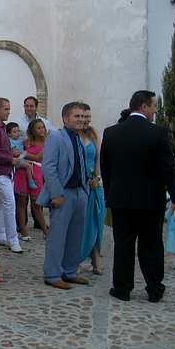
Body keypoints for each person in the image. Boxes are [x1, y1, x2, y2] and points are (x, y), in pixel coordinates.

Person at [101, 90, 175, 303]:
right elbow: (168, 169)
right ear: (144, 106)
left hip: (121, 200)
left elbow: (106, 169)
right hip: (150, 201)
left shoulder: (111, 132)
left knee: (123, 245)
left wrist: (110, 195)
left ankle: (122, 287)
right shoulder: (158, 133)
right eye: (154, 105)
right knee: (152, 245)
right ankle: (154, 288)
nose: (156, 110)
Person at [36, 102, 89, 290]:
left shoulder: (79, 139)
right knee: (57, 236)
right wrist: (56, 193)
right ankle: (52, 274)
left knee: (76, 235)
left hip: (79, 192)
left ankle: (70, 271)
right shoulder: (56, 138)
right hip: (63, 193)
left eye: (83, 117)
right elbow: (49, 168)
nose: (81, 120)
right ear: (66, 119)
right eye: (77, 116)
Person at [0, 98, 23, 253]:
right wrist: (10, 159)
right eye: (6, 109)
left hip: (5, 170)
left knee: (2, 204)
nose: (8, 112)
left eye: (9, 109)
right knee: (9, 203)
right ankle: (13, 239)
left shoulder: (1, 128)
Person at [78, 103, 107, 275]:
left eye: (88, 116)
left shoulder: (93, 133)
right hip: (80, 184)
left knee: (96, 222)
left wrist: (98, 177)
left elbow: (99, 158)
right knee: (81, 224)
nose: (86, 120)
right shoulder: (73, 135)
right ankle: (78, 258)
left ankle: (96, 260)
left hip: (95, 185)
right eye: (83, 116)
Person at [13, 119, 48, 240]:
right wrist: (22, 153)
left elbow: (38, 157)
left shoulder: (46, 143)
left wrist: (24, 153)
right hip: (23, 172)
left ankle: (45, 230)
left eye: (43, 127)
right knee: (22, 202)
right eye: (39, 128)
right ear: (33, 130)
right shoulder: (26, 142)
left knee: (36, 204)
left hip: (37, 173)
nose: (42, 130)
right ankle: (23, 229)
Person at [6, 122, 37, 190]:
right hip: (17, 160)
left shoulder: (20, 140)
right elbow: (15, 152)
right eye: (14, 132)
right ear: (9, 134)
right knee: (28, 166)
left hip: (22, 158)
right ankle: (30, 181)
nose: (17, 133)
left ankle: (31, 179)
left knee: (30, 167)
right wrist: (23, 152)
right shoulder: (10, 141)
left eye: (18, 131)